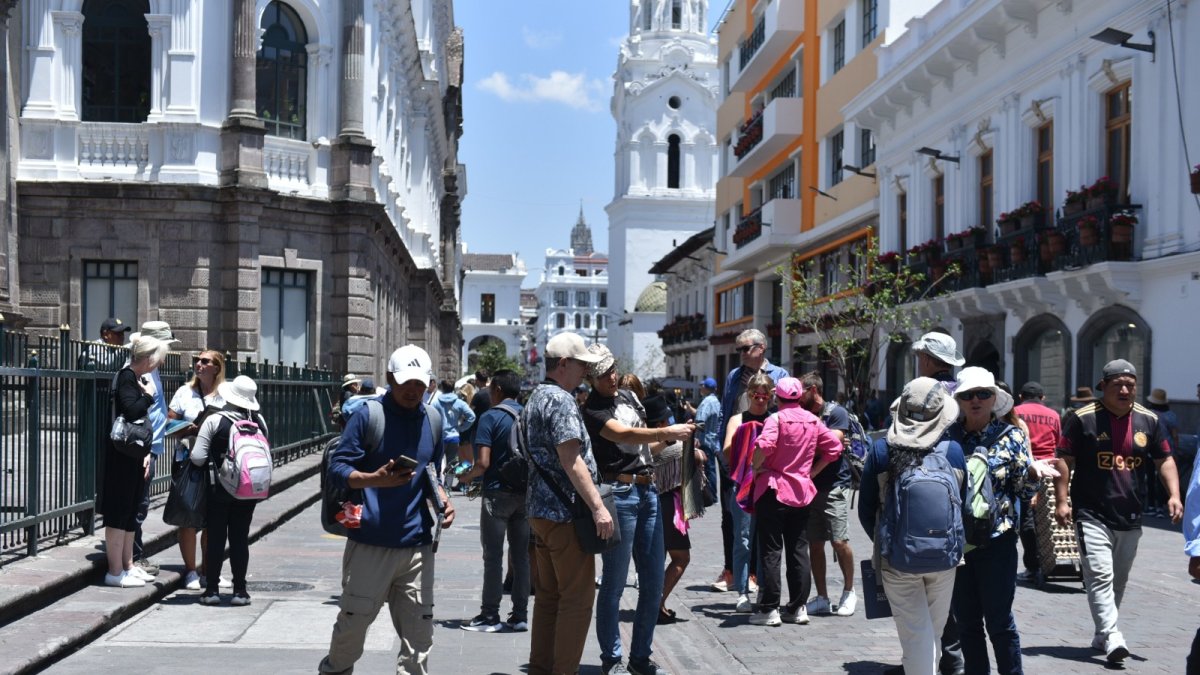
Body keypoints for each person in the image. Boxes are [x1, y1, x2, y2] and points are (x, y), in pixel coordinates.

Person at [319, 345, 456, 674]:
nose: (413, 390)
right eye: (406, 382)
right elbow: (337, 468)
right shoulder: (368, 415)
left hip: (416, 545)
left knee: (419, 638)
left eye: (420, 384)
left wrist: (442, 498)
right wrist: (372, 479)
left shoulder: (434, 419)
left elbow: (430, 471)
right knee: (351, 630)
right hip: (370, 544)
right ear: (390, 379)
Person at [1054, 359, 1182, 664]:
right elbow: (1064, 459)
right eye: (1117, 385)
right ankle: (1112, 637)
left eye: (1130, 385)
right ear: (1104, 387)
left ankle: (1101, 633)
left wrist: (1174, 494)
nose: (1125, 390)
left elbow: (1164, 459)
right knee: (1099, 574)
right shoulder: (1082, 418)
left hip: (1131, 513)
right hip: (1090, 511)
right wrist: (1062, 500)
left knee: (1118, 580)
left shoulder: (1150, 420)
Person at [584, 344, 694, 675]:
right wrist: (667, 431)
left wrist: (677, 442)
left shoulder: (629, 398)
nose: (612, 377)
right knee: (614, 582)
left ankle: (640, 656)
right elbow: (625, 433)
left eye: (613, 369)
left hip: (648, 490)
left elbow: (644, 445)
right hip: (618, 493)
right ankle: (612, 659)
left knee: (651, 582)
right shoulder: (592, 410)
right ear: (591, 378)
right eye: (604, 374)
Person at [950, 367, 1058, 675]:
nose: (975, 400)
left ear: (994, 398)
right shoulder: (948, 437)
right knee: (966, 621)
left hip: (998, 540)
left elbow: (1022, 491)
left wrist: (1033, 475)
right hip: (957, 544)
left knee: (999, 621)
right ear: (958, 399)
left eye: (983, 394)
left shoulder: (1010, 436)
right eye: (968, 395)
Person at [859, 377, 967, 675]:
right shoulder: (953, 451)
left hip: (898, 559)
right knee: (932, 630)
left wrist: (887, 538)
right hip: (945, 558)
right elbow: (963, 504)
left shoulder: (882, 451)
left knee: (915, 634)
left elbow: (866, 510)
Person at [523, 332, 611, 675]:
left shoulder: (536, 398)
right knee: (576, 601)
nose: (585, 373)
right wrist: (598, 507)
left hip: (541, 511)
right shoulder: (560, 401)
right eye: (581, 366)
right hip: (564, 513)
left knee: (549, 598)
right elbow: (571, 459)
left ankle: (541, 667)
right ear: (563, 365)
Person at [748, 377, 842, 627]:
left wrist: (755, 466)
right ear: (799, 397)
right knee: (799, 549)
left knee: (771, 550)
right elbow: (834, 447)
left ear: (777, 397)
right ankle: (798, 606)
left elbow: (765, 445)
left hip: (773, 489)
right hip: (801, 492)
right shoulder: (813, 420)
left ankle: (769, 608)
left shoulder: (775, 419)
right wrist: (812, 472)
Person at [713, 328, 789, 592]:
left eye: (745, 349)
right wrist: (720, 447)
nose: (741, 354)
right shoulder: (734, 376)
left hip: (764, 457)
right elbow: (726, 411)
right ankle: (731, 570)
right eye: (739, 350)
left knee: (761, 517)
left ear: (761, 348)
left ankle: (755, 573)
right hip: (733, 453)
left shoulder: (779, 376)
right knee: (730, 515)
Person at [457, 369, 530, 633]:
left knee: (493, 557)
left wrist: (466, 477)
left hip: (497, 494)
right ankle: (520, 615)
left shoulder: (490, 417)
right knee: (521, 557)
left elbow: (483, 463)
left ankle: (490, 615)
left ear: (497, 389)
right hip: (525, 494)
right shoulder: (529, 415)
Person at [910, 330, 965, 675]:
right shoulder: (963, 392)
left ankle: (936, 658)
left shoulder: (923, 393)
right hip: (960, 486)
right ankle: (950, 657)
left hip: (927, 490)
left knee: (927, 585)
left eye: (920, 357)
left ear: (929, 360)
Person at [189, 375, 267, 606]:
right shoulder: (259, 421)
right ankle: (240, 591)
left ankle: (211, 590)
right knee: (240, 538)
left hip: (219, 488)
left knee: (216, 537)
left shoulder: (215, 420)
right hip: (247, 489)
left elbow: (198, 458)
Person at [100, 335, 168, 588]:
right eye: (158, 359)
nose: (158, 364)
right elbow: (132, 411)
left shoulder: (136, 378)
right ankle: (115, 570)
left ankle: (127, 566)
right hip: (121, 457)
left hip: (134, 455)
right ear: (149, 357)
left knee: (129, 512)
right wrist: (149, 396)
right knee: (119, 513)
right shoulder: (127, 376)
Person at [797, 372, 857, 618]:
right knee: (815, 542)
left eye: (801, 392)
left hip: (835, 485)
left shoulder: (836, 413)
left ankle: (849, 591)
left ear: (812, 390)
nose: (797, 398)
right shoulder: (803, 413)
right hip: (811, 487)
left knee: (839, 541)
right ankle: (822, 597)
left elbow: (833, 444)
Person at [167, 350, 227, 591]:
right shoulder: (185, 392)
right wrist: (188, 428)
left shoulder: (226, 394)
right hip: (188, 460)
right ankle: (191, 570)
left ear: (217, 368)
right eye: (197, 361)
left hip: (218, 463)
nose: (198, 365)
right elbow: (169, 423)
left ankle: (209, 569)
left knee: (215, 519)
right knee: (188, 516)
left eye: (205, 362)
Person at [645, 394, 705, 625]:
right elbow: (700, 457)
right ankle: (656, 604)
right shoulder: (671, 447)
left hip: (653, 503)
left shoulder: (642, 445)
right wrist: (691, 446)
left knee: (657, 560)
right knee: (681, 557)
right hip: (667, 505)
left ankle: (654, 603)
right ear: (661, 424)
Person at [129, 320, 182, 576]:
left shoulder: (153, 370)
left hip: (153, 444)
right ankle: (134, 558)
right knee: (138, 503)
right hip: (145, 447)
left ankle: (135, 556)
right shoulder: (143, 372)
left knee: (141, 501)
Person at [721, 372, 774, 614]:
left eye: (765, 395)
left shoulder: (775, 419)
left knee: (766, 541)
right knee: (742, 540)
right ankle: (742, 591)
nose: (760, 400)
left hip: (768, 487)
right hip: (743, 486)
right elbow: (726, 451)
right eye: (756, 394)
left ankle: (765, 589)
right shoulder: (738, 419)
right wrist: (748, 434)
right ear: (748, 394)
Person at [1012, 381, 1063, 581]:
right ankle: (1049, 558)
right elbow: (1059, 443)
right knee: (1048, 517)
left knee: (1027, 518)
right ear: (1043, 398)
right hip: (1050, 469)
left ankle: (1033, 565)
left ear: (1021, 396)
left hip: (1027, 469)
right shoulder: (1054, 415)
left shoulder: (1015, 412)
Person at [1144, 388, 1180, 518]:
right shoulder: (1171, 415)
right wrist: (1175, 451)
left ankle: (1151, 506)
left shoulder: (1148, 415)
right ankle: (1160, 507)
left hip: (1150, 451)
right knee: (1162, 480)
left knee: (1150, 479)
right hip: (1167, 452)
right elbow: (1175, 436)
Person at [432, 379, 476, 479]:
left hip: (440, 436)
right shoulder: (459, 402)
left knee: (437, 462)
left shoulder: (435, 403)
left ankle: (438, 484)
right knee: (452, 463)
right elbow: (472, 416)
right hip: (454, 435)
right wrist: (462, 428)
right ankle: (448, 486)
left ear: (442, 388)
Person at [694, 378, 721, 507]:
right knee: (711, 469)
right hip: (713, 440)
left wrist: (695, 436)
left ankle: (710, 497)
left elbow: (700, 421)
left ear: (705, 388)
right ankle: (712, 496)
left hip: (705, 440)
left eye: (702, 386)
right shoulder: (716, 401)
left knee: (706, 469)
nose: (700, 389)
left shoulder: (707, 402)